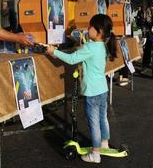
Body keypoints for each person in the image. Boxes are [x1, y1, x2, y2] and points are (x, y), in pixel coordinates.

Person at [47, 14, 117, 163]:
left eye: (90, 26)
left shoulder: (90, 47)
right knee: (102, 118)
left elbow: (72, 59)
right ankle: (104, 143)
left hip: (92, 92)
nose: (87, 28)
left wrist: (54, 51)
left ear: (98, 30)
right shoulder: (102, 46)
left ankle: (95, 153)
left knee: (94, 122)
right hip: (103, 89)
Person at [116, 0, 131, 86]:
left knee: (125, 54)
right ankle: (119, 74)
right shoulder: (114, 6)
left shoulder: (127, 6)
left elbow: (128, 21)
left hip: (126, 34)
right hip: (116, 33)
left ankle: (125, 75)